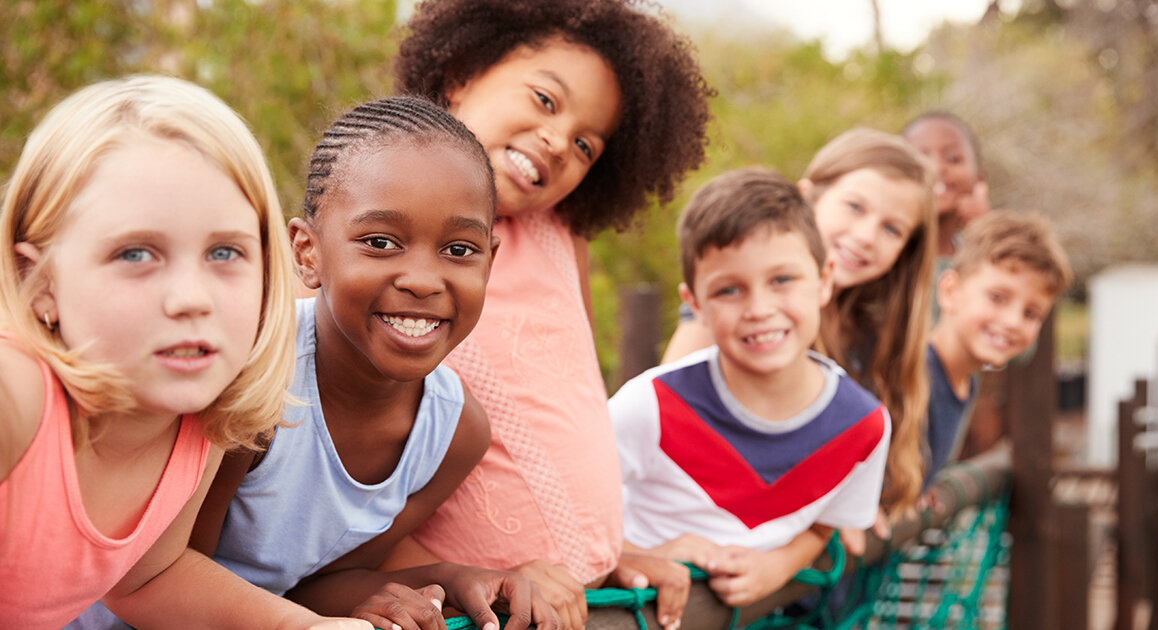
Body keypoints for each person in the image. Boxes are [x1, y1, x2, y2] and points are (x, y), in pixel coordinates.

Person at [384, 2, 711, 629]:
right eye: (544, 99)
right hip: (471, 609)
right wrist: (475, 580)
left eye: (587, 144)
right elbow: (342, 500)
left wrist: (609, 552)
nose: (560, 142)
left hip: (593, 601)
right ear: (460, 73)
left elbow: (567, 413)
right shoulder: (383, 248)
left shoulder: (562, 239)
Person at [0, 75, 368, 629]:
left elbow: (148, 578)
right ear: (40, 281)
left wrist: (304, 625)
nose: (191, 299)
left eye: (225, 251)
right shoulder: (17, 399)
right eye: (135, 254)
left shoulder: (197, 416)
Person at [610, 168, 891, 608]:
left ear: (824, 280)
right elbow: (569, 517)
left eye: (782, 280)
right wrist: (649, 555)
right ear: (696, 304)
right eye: (729, 290)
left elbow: (823, 526)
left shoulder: (863, 426)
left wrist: (776, 566)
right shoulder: (649, 406)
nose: (759, 309)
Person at [662, 129, 937, 549]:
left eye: (892, 229)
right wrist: (809, 517)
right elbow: (672, 435)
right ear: (808, 198)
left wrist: (840, 503)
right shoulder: (733, 318)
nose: (865, 235)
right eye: (854, 207)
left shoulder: (865, 332)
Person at [923, 210, 1072, 489]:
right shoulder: (914, 377)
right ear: (950, 291)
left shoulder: (966, 383)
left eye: (1031, 314)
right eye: (997, 298)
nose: (1013, 322)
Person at [901, 110, 989, 259]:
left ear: (979, 180)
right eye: (920, 160)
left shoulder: (987, 250)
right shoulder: (887, 252)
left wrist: (985, 231)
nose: (937, 168)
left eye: (952, 159)